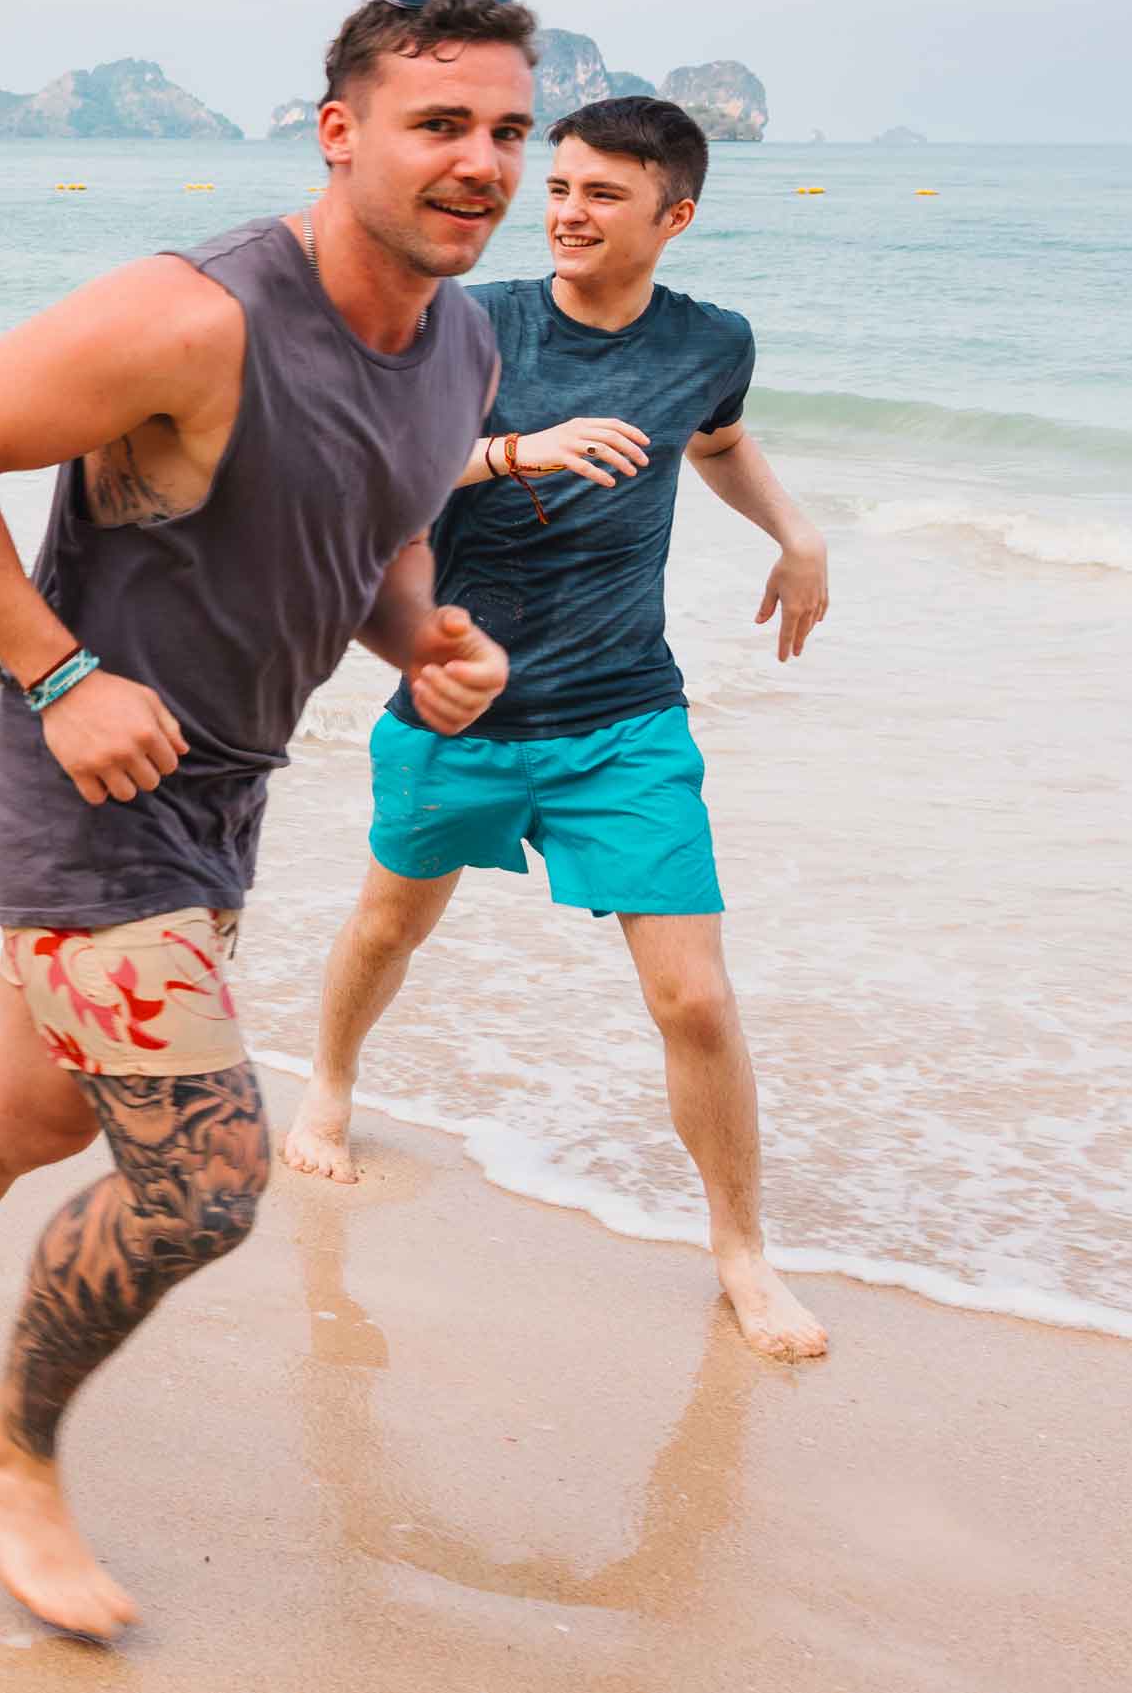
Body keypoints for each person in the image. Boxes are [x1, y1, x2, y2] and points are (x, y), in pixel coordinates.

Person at [0, 0, 537, 1639]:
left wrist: (424, 640)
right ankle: (13, 1443)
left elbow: (383, 533)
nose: (484, 162)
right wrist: (57, 676)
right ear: (342, 133)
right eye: (442, 124)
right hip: (82, 792)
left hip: (222, 799)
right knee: (202, 1178)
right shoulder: (199, 319)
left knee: (30, 1114)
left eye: (509, 131)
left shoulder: (463, 341)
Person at [278, 96, 834, 1360]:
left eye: (603, 195)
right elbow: (368, 473)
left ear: (674, 216)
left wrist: (795, 531)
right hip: (457, 697)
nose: (568, 212)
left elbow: (721, 440)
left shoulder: (712, 341)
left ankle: (742, 1256)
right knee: (387, 921)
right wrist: (516, 451)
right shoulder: (471, 321)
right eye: (563, 186)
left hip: (625, 712)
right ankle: (331, 1077)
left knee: (693, 999)